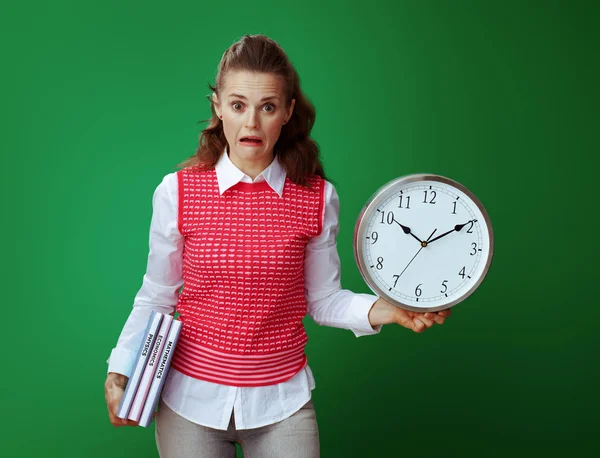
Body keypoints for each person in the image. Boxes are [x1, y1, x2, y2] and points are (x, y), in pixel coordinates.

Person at [104, 34, 452, 458]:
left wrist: (390, 309)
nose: (251, 123)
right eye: (238, 105)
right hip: (187, 403)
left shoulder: (316, 197)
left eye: (267, 107)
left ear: (287, 112)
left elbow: (324, 300)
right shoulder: (177, 192)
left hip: (283, 403)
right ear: (217, 106)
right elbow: (157, 296)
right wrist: (121, 368)